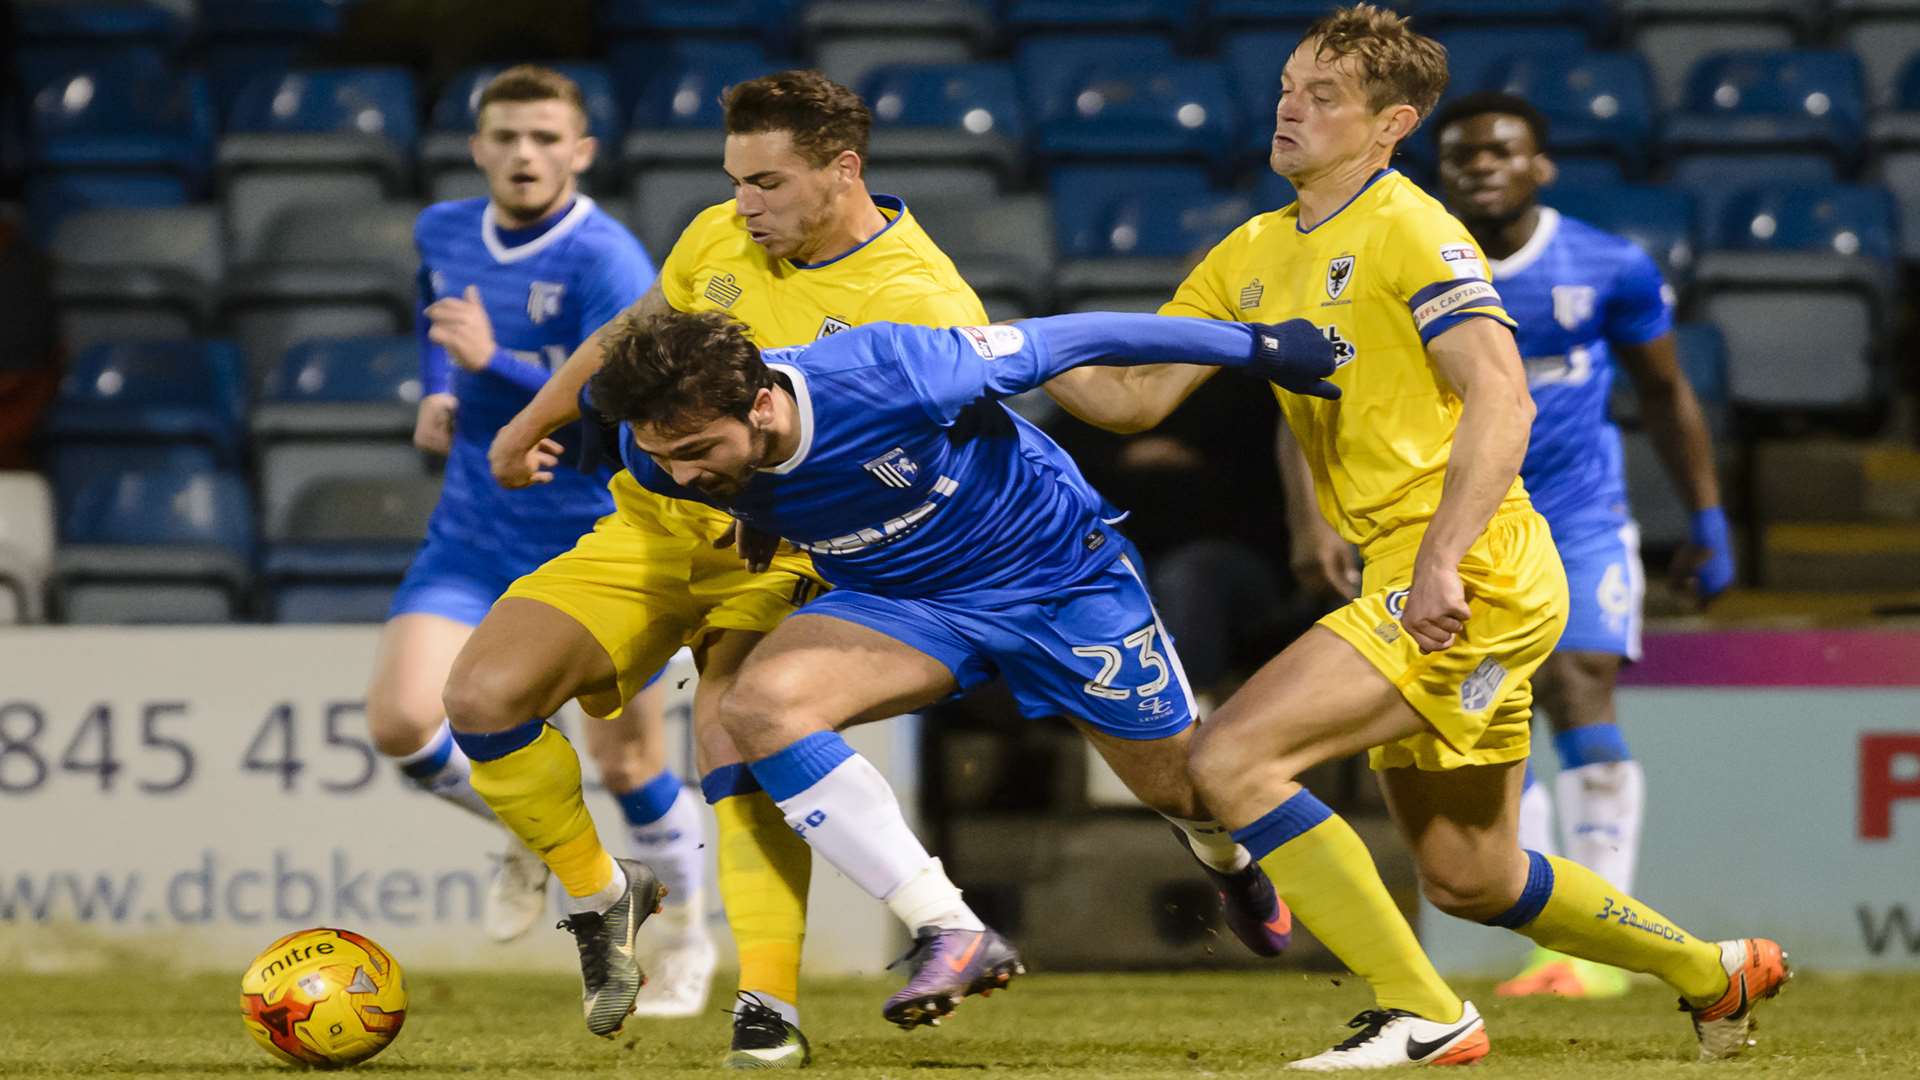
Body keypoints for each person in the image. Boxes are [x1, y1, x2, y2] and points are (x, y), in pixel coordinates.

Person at [1042, 5, 1786, 1069]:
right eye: (1291, 85)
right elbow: (1134, 400)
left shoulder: (1414, 229)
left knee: (1234, 758)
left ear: (1392, 124)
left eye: (1324, 95)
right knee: (1471, 875)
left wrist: (1440, 559)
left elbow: (1504, 398)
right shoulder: (1251, 249)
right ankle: (1717, 974)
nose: (1291, 106)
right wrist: (997, 346)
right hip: (1415, 573)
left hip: (1470, 566)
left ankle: (1424, 1013)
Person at [581, 307, 1332, 1030]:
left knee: (1185, 786)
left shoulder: (895, 370)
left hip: (1061, 583)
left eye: (699, 453)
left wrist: (1259, 347)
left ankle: (1225, 859)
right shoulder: (658, 456)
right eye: (664, 457)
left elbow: (1077, 336)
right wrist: (747, 504)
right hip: (906, 603)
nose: (677, 474)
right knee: (758, 710)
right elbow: (719, 472)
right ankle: (950, 928)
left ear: (766, 406)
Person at [444, 70, 993, 1058]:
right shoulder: (717, 236)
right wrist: (533, 420)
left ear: (843, 172)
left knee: (733, 731)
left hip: (794, 549)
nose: (745, 203)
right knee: (482, 698)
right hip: (653, 529)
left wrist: (780, 505)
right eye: (737, 179)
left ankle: (768, 1007)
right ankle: (601, 896)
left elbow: (925, 464)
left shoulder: (917, 299)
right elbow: (630, 339)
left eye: (769, 183)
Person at [360, 66, 699, 967]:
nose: (524, 154)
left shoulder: (607, 260)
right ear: (478, 149)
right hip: (474, 528)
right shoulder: (442, 229)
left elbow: (617, 405)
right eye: (507, 136)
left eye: (546, 138)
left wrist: (495, 364)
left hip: (594, 534)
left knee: (627, 765)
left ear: (580, 153)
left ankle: (688, 947)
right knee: (401, 723)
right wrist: (441, 390)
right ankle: (542, 831)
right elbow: (444, 325)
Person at [1415, 90, 1734, 1000]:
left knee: (1578, 680)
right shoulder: (1415, 265)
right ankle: (1557, 937)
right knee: (1495, 704)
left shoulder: (1608, 264)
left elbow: (1668, 395)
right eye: (1462, 155)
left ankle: (1599, 953)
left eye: (1500, 151)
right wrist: (1312, 518)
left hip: (1582, 514)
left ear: (1539, 165)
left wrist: (1706, 519)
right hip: (1461, 523)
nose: (1480, 166)